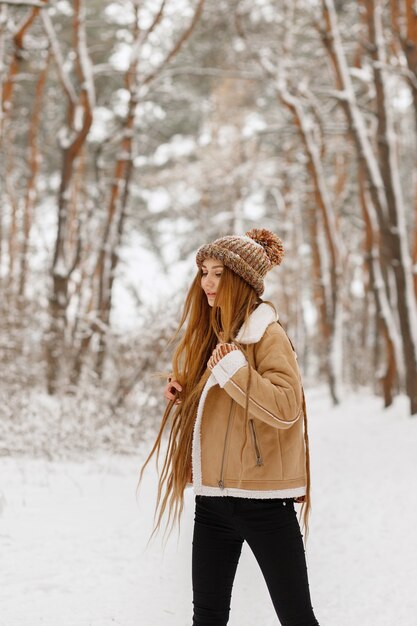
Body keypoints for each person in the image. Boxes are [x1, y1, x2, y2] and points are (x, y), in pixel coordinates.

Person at [139, 228, 320, 626]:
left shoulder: (267, 335)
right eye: (204, 271)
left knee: (296, 617)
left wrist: (234, 370)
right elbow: (231, 404)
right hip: (213, 501)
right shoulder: (221, 333)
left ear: (241, 279)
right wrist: (187, 391)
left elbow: (286, 408)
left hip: (264, 503)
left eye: (218, 273)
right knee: (207, 617)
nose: (207, 282)